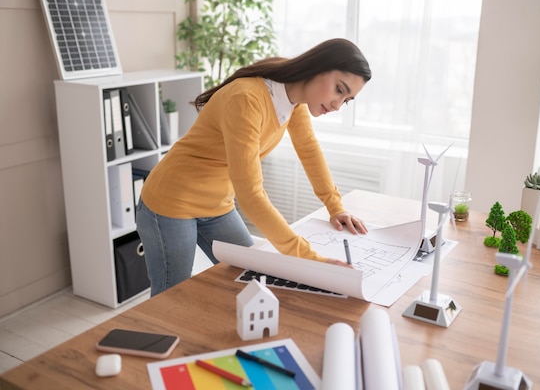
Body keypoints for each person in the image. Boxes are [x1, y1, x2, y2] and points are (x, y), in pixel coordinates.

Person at [136, 38, 372, 296]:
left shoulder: (295, 99)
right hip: (172, 200)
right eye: (339, 90)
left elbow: (309, 150)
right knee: (171, 297)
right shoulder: (247, 99)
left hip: (217, 206)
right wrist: (308, 258)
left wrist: (335, 207)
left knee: (253, 285)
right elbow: (250, 194)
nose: (338, 105)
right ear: (318, 67)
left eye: (347, 99)